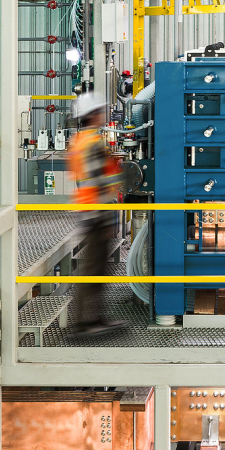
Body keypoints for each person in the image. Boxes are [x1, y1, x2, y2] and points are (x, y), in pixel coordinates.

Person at [67, 92, 126, 335]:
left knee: (99, 268)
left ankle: (95, 318)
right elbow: (97, 180)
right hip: (95, 211)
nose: (104, 115)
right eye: (100, 111)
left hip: (93, 210)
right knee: (93, 268)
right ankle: (83, 323)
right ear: (92, 116)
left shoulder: (82, 140)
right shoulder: (91, 143)